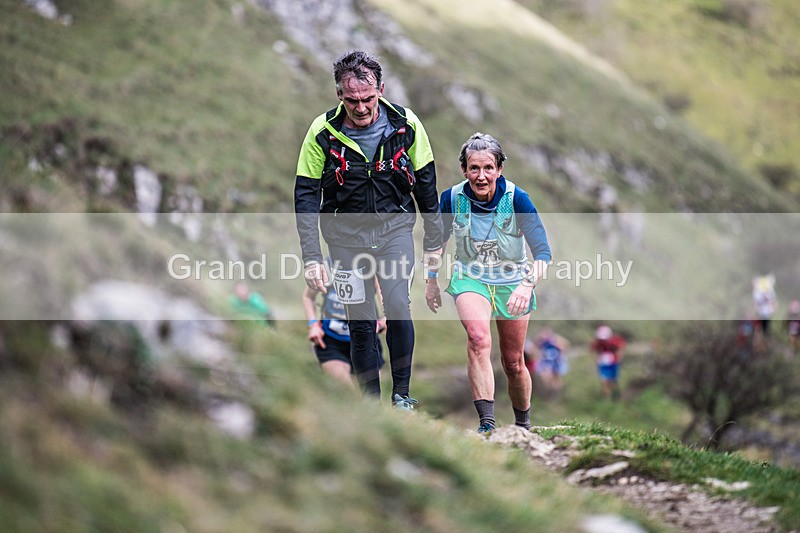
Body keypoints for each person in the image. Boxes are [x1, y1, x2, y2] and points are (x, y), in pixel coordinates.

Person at [294, 50, 443, 410]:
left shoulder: (406, 124)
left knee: (396, 305)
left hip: (395, 232)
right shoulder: (323, 132)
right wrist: (313, 258)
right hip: (344, 239)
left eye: (368, 98)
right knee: (360, 322)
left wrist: (435, 242)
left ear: (381, 89)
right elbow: (305, 196)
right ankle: (370, 405)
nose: (361, 108)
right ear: (339, 95)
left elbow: (425, 184)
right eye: (352, 100)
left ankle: (402, 395)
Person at [427, 132, 551, 435]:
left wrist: (526, 285)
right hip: (471, 278)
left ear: (499, 169)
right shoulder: (452, 198)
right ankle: (487, 424)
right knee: (478, 339)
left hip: (513, 282)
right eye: (474, 168)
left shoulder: (516, 199)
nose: (481, 176)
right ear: (464, 169)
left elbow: (543, 253)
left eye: (488, 168)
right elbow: (437, 243)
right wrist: (431, 280)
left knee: (513, 362)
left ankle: (522, 425)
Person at [302, 265, 387, 387]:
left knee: (369, 396)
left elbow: (386, 296)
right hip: (332, 341)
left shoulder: (369, 266)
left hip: (366, 340)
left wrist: (385, 319)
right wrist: (313, 325)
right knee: (347, 391)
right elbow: (308, 297)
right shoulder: (326, 267)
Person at [590, 325, 625, 401]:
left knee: (614, 381)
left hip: (614, 363)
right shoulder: (598, 342)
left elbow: (621, 348)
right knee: (604, 381)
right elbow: (592, 350)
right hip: (603, 363)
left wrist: (619, 357)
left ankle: (614, 396)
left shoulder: (616, 341)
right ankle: (606, 399)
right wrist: (597, 360)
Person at [533, 327, 570, 399]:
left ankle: (556, 392)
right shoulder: (542, 341)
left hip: (556, 361)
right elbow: (535, 346)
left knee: (556, 378)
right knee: (545, 377)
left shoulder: (556, 340)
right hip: (546, 362)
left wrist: (557, 343)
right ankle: (547, 393)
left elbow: (565, 347)